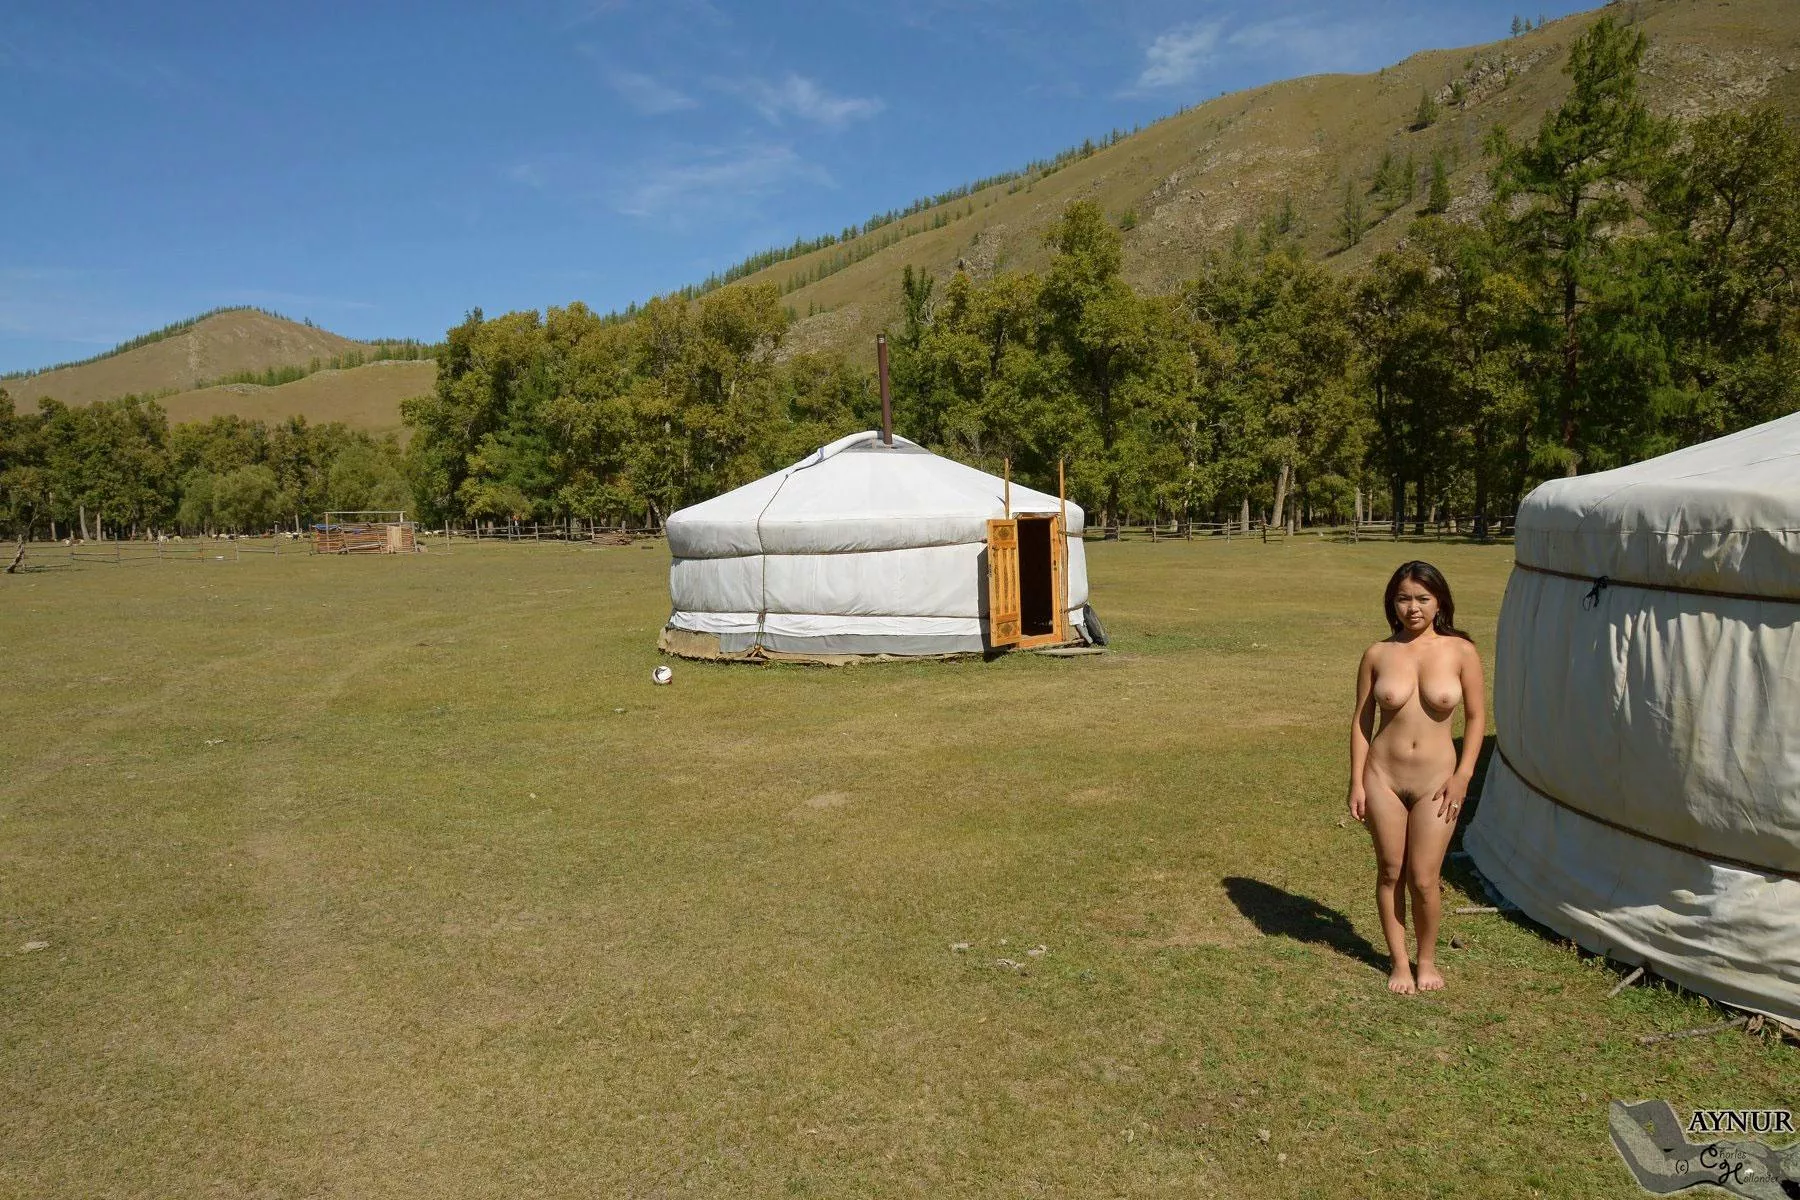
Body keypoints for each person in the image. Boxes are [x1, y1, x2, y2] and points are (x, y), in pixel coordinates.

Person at [1348, 561, 1485, 994]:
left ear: (1439, 600)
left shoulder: (1461, 651)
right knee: (1391, 870)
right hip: (1382, 778)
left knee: (1424, 877)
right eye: (1404, 598)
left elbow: (1478, 719)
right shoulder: (1378, 653)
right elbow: (1361, 722)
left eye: (1423, 598)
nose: (1413, 608)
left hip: (1438, 783)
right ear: (1392, 601)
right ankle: (1400, 962)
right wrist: (1356, 781)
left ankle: (1426, 959)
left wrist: (1463, 775)